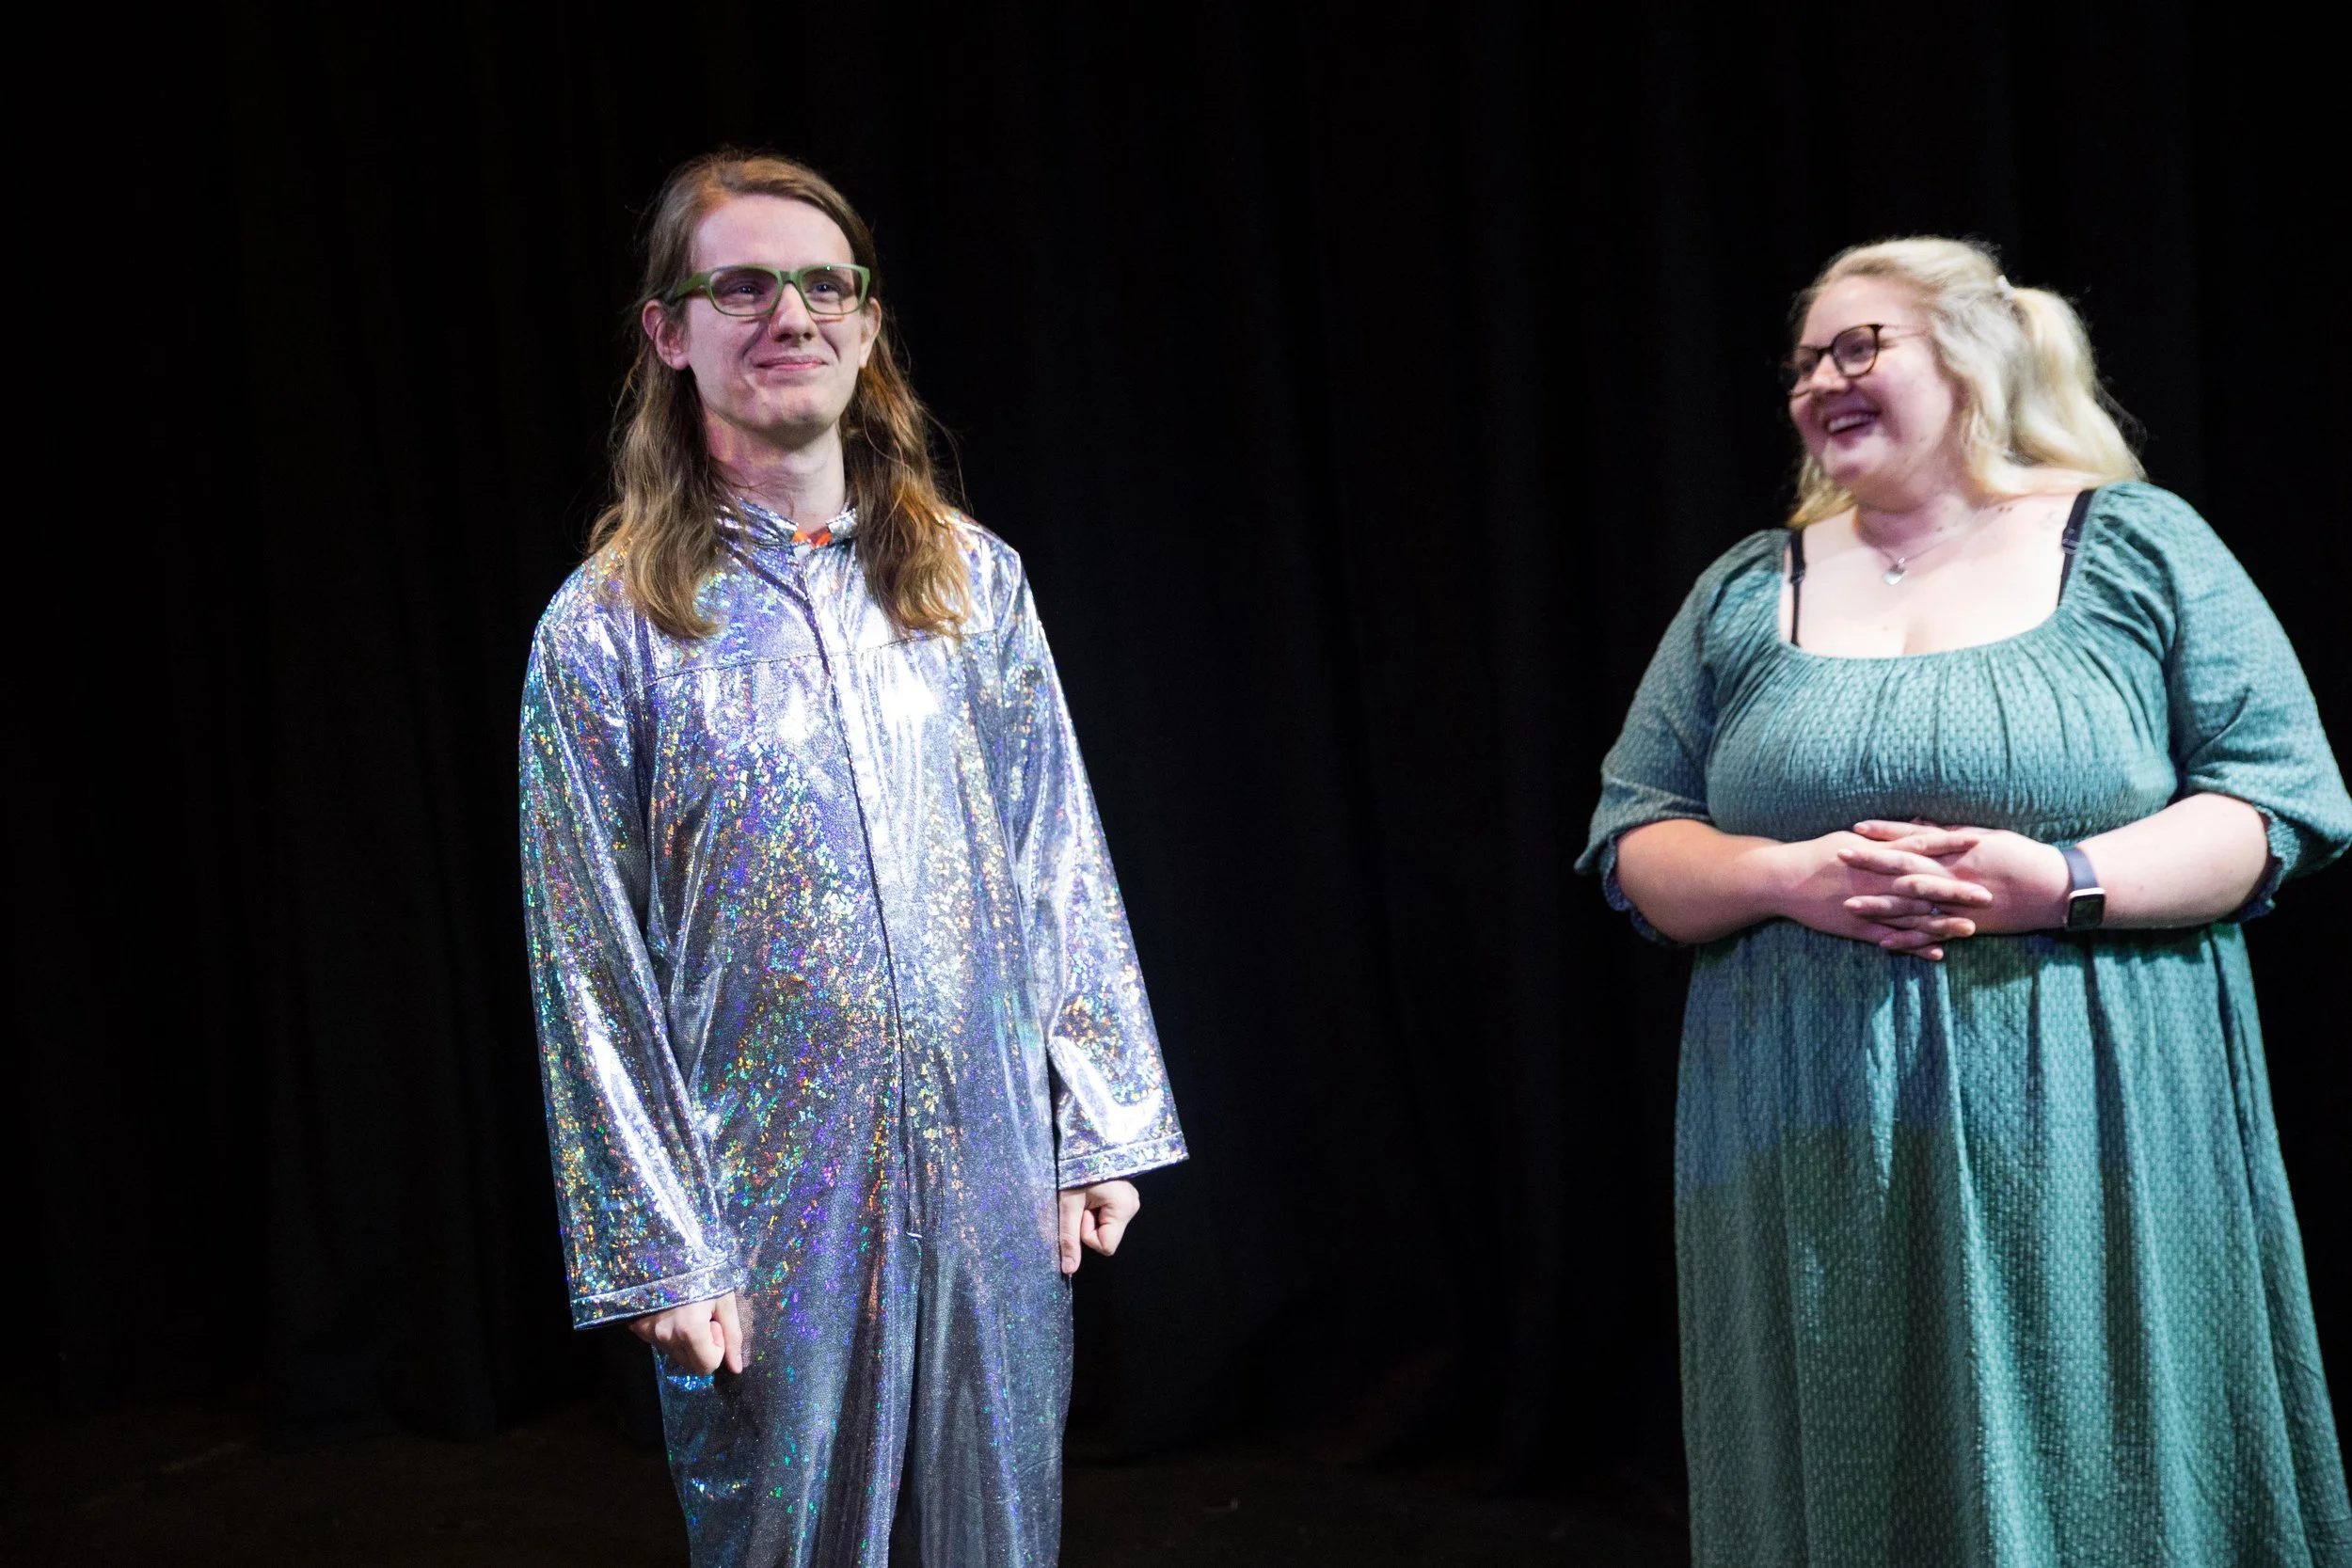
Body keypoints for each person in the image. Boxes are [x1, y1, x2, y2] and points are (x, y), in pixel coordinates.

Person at [1581, 236, 2351, 1565]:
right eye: (1804, 362)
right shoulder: (1746, 588)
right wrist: (1784, 876)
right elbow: (1634, 836)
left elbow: (2278, 800)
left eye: (1859, 346)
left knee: (2104, 1456)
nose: (1821, 381)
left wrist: (2063, 884)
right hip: (1808, 1119)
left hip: (2094, 1108)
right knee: (1853, 1450)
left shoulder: (2138, 545)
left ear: (1976, 358)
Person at [519, 150, 1186, 1568]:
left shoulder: (967, 579)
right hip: (767, 1199)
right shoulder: (611, 628)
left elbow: (1055, 846)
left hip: (989, 1169)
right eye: (743, 287)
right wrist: (660, 1242)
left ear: (868, 324)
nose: (791, 315)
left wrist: (1098, 1117)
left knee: (998, 1528)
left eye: (825, 285)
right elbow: (588, 960)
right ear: (669, 331)